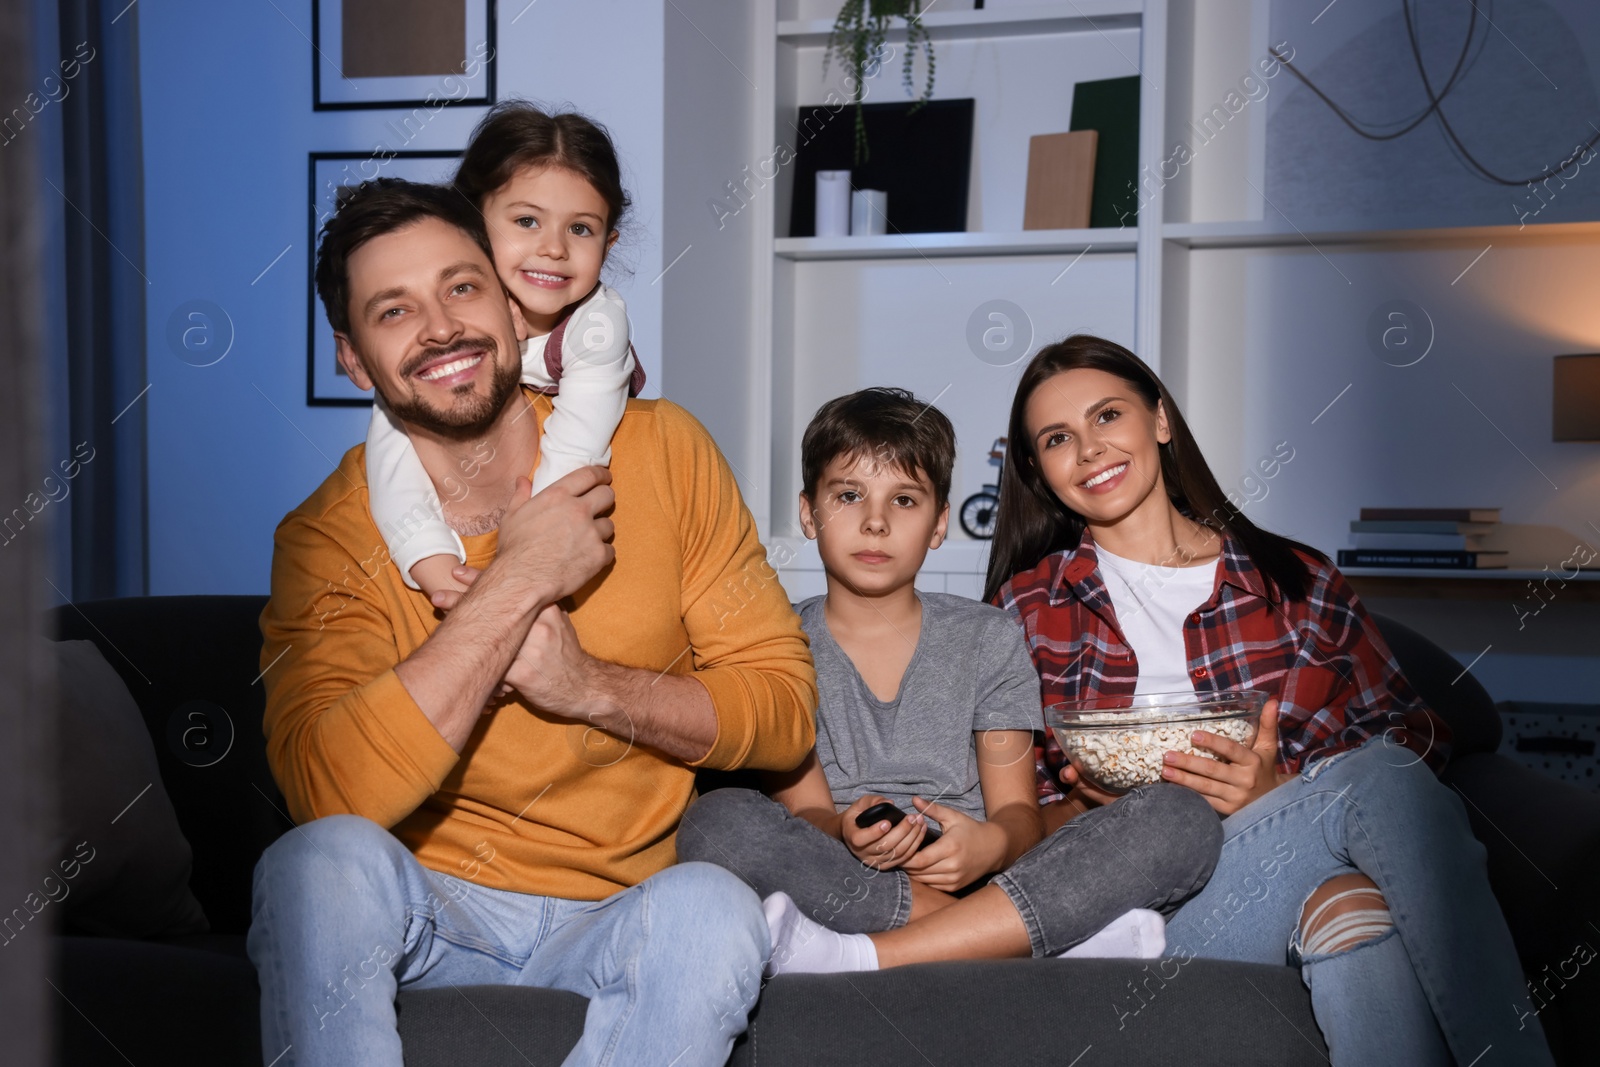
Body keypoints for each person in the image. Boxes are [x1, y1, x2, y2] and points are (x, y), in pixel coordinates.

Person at [248, 174, 816, 1067]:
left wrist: (588, 687)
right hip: (432, 915)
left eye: (462, 287)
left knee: (715, 905)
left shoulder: (664, 450)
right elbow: (331, 794)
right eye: (393, 311)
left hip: (622, 915)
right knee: (314, 867)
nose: (441, 328)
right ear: (353, 359)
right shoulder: (327, 536)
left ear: (516, 309)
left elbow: (784, 711)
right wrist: (520, 578)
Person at [985, 334, 1554, 1066]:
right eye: (1058, 438)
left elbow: (1417, 733)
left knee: (1355, 904)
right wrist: (1090, 807)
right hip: (1123, 916)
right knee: (1362, 848)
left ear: (1160, 420)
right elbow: (1004, 815)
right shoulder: (1026, 609)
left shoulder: (1295, 580)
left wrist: (1280, 787)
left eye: (1108, 416)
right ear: (1038, 469)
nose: (1090, 449)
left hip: (1272, 873)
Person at [679, 387, 1222, 975]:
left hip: (989, 882)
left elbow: (1017, 815)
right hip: (845, 883)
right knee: (718, 820)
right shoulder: (777, 646)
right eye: (849, 496)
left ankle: (882, 952)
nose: (876, 522)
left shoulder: (988, 637)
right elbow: (807, 813)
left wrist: (987, 845)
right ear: (809, 513)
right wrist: (843, 829)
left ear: (939, 525)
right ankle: (1013, 943)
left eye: (905, 501)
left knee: (1180, 817)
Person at [366, 103, 644, 601]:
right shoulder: (449, 327)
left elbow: (575, 452)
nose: (554, 248)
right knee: (391, 437)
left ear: (609, 243)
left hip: (555, 506)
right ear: (471, 224)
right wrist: (436, 568)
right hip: (450, 563)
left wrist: (531, 556)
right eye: (526, 221)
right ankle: (434, 570)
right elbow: (393, 464)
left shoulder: (598, 325)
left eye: (580, 229)